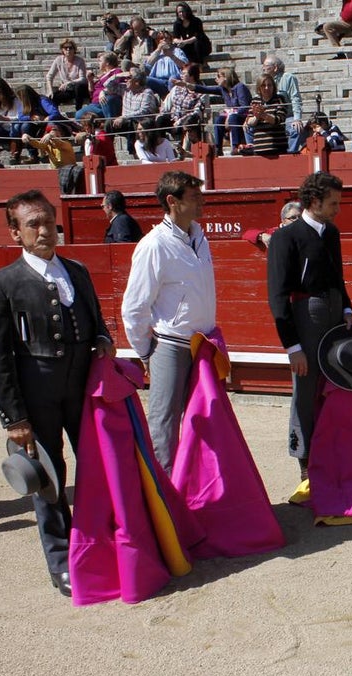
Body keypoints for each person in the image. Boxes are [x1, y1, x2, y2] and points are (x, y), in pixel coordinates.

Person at [0, 190, 115, 597]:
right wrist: (13, 417)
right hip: (35, 393)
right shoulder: (0, 283)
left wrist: (105, 338)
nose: (43, 230)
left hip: (83, 388)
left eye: (47, 221)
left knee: (97, 466)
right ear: (15, 232)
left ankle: (100, 540)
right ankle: (61, 560)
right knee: (50, 479)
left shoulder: (78, 270)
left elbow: (95, 320)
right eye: (32, 224)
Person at [121, 172, 215, 474]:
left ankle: (190, 486)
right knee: (165, 421)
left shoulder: (199, 236)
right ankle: (163, 497)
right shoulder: (153, 245)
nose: (201, 202)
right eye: (194, 197)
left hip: (203, 343)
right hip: (170, 345)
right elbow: (134, 305)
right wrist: (145, 352)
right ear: (172, 201)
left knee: (203, 419)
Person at [266, 172, 352, 486]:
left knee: (337, 384)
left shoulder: (331, 233)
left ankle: (333, 452)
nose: (337, 209)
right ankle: (304, 459)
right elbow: (277, 295)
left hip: (333, 312)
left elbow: (338, 277)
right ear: (314, 201)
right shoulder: (286, 237)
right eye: (333, 203)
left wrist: (346, 307)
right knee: (305, 390)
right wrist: (292, 346)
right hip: (306, 315)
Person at [195, 67, 251, 156]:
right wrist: (186, 85)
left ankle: (235, 146)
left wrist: (231, 113)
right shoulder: (223, 89)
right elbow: (205, 89)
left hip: (244, 115)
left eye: (218, 76)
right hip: (232, 116)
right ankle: (218, 148)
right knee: (218, 120)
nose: (216, 79)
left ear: (226, 77)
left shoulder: (240, 87)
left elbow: (245, 107)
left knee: (232, 117)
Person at [261, 55, 304, 154]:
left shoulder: (288, 78)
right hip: (268, 116)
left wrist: (297, 119)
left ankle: (289, 154)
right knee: (248, 128)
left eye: (265, 65)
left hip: (286, 117)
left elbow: (295, 98)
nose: (263, 68)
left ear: (275, 67)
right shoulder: (263, 80)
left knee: (296, 129)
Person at [111, 70, 160, 155]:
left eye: (129, 78)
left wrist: (124, 117)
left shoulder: (147, 92)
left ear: (137, 82)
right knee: (109, 124)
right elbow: (108, 86)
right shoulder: (125, 89)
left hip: (141, 122)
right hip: (125, 121)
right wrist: (118, 75)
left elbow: (143, 111)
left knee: (132, 122)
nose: (125, 79)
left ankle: (132, 152)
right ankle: (109, 151)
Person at [246, 73, 288, 156]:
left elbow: (279, 119)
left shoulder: (280, 99)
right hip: (259, 148)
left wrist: (264, 115)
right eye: (263, 85)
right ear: (259, 88)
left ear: (273, 86)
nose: (266, 88)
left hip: (277, 147)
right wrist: (257, 117)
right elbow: (249, 122)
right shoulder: (255, 101)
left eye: (269, 85)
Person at [45, 38, 89, 111]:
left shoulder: (80, 61)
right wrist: (50, 91)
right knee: (53, 97)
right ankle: (55, 116)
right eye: (66, 48)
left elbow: (83, 79)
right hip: (68, 90)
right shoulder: (58, 60)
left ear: (74, 49)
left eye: (70, 48)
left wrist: (70, 82)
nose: (68, 50)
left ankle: (78, 112)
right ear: (62, 50)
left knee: (78, 87)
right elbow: (49, 76)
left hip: (79, 88)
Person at [145, 30, 189, 97]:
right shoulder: (156, 52)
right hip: (159, 81)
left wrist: (171, 56)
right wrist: (158, 50)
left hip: (174, 79)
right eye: (162, 38)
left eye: (166, 38)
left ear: (170, 40)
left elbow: (184, 65)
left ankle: (170, 99)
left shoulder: (177, 51)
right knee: (145, 79)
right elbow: (148, 64)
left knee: (173, 78)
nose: (164, 40)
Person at [172, 2, 212, 67]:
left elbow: (198, 36)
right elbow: (175, 38)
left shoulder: (196, 21)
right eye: (179, 12)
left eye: (183, 11)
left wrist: (184, 42)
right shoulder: (177, 24)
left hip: (202, 45)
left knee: (197, 43)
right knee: (178, 47)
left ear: (187, 11)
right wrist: (181, 42)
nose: (181, 14)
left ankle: (200, 64)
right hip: (188, 45)